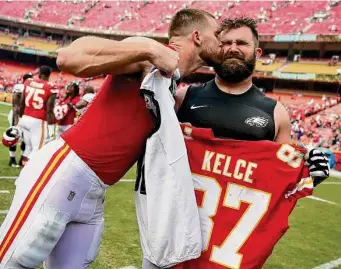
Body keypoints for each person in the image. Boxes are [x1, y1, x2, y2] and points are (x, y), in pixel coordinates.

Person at [0, 8, 221, 269]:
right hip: (65, 172)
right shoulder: (150, 53)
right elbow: (68, 56)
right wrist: (149, 51)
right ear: (196, 36)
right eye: (217, 34)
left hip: (95, 192)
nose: (222, 41)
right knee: (11, 262)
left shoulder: (172, 82)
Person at [170, 17, 329, 269]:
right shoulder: (182, 97)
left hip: (230, 252)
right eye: (226, 42)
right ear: (216, 48)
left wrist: (307, 175)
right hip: (173, 239)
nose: (233, 47)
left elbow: (277, 187)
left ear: (257, 52)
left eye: (241, 43)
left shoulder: (276, 114)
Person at [18, 66, 58, 165]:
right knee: (37, 150)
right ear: (49, 75)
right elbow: (49, 110)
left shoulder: (28, 82)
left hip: (25, 118)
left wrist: (20, 119)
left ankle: (24, 170)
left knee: (28, 147)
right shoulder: (50, 86)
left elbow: (22, 102)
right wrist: (51, 129)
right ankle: (30, 173)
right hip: (38, 121)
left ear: (39, 74)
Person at [7, 73, 32, 167]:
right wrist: (16, 122)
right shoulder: (20, 87)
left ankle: (22, 159)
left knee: (26, 139)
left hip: (26, 116)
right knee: (14, 136)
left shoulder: (30, 89)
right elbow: (16, 107)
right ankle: (12, 160)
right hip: (16, 115)